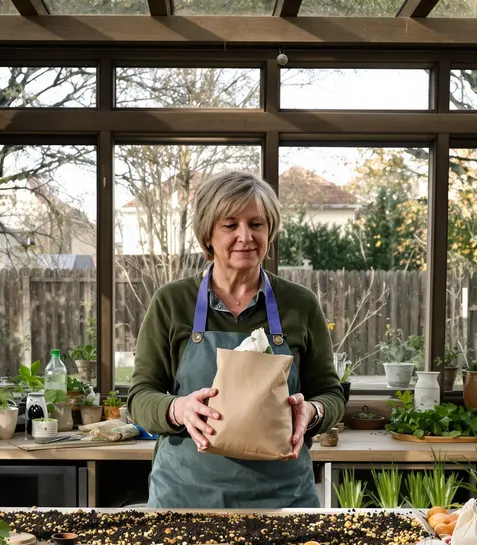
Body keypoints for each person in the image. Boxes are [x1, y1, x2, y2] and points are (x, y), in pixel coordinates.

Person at [128, 171, 345, 508]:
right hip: (186, 499)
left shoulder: (299, 304)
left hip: (282, 501)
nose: (246, 236)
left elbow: (330, 394)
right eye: (230, 225)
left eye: (256, 224)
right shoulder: (172, 302)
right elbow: (140, 397)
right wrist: (178, 408)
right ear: (208, 235)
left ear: (269, 231)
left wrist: (313, 412)